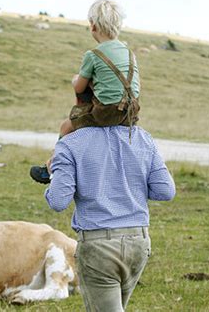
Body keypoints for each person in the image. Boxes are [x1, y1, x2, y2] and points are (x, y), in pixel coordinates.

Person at [44, 125, 175, 312]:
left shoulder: (70, 143)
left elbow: (58, 201)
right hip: (138, 242)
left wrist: (54, 175)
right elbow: (165, 191)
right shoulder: (143, 138)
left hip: (98, 246)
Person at [30, 0, 141, 184]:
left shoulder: (93, 55)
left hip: (106, 113)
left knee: (66, 126)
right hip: (131, 113)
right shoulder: (130, 54)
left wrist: (75, 79)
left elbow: (79, 87)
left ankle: (51, 168)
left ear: (93, 25)